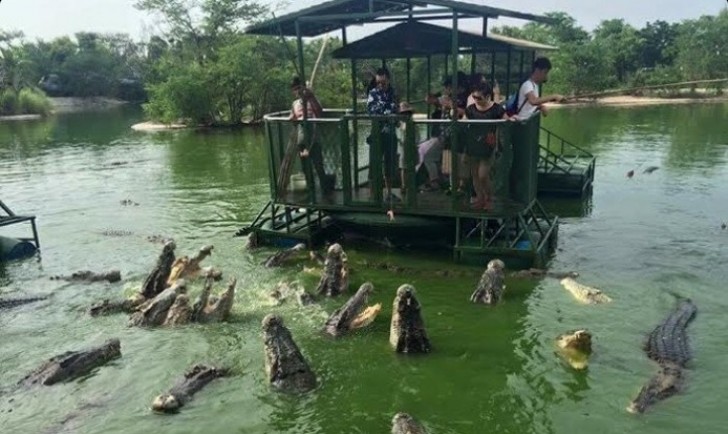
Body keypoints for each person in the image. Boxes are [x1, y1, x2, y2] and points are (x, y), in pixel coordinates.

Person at [465, 82, 513, 210]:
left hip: (488, 144)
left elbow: (506, 119)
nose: (476, 100)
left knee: (483, 175)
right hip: (473, 143)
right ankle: (480, 198)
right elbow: (464, 120)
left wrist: (511, 119)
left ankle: (489, 197)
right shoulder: (470, 109)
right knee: (474, 174)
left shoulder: (496, 108)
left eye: (479, 98)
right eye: (474, 97)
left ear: (487, 96)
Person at [288, 77, 333, 195]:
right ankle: (311, 192)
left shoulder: (311, 100)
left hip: (314, 139)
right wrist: (293, 118)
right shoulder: (295, 104)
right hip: (302, 140)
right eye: (294, 90)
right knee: (306, 169)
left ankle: (325, 193)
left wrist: (311, 96)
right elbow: (293, 118)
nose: (296, 92)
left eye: (298, 89)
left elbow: (319, 112)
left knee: (319, 167)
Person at [366, 67, 399, 201]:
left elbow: (397, 109)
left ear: (388, 80)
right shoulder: (373, 93)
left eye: (383, 83)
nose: (380, 85)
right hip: (377, 133)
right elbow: (373, 111)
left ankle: (389, 192)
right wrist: (389, 110)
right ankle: (373, 194)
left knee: (390, 164)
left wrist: (390, 110)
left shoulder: (393, 93)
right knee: (374, 163)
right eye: (378, 82)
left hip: (390, 133)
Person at [395, 102, 421, 195]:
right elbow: (399, 138)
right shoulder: (400, 125)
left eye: (407, 113)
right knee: (404, 167)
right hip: (403, 148)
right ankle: (404, 186)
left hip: (412, 147)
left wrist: (415, 144)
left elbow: (417, 137)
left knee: (412, 166)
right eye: (403, 113)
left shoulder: (413, 124)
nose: (405, 115)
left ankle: (411, 185)